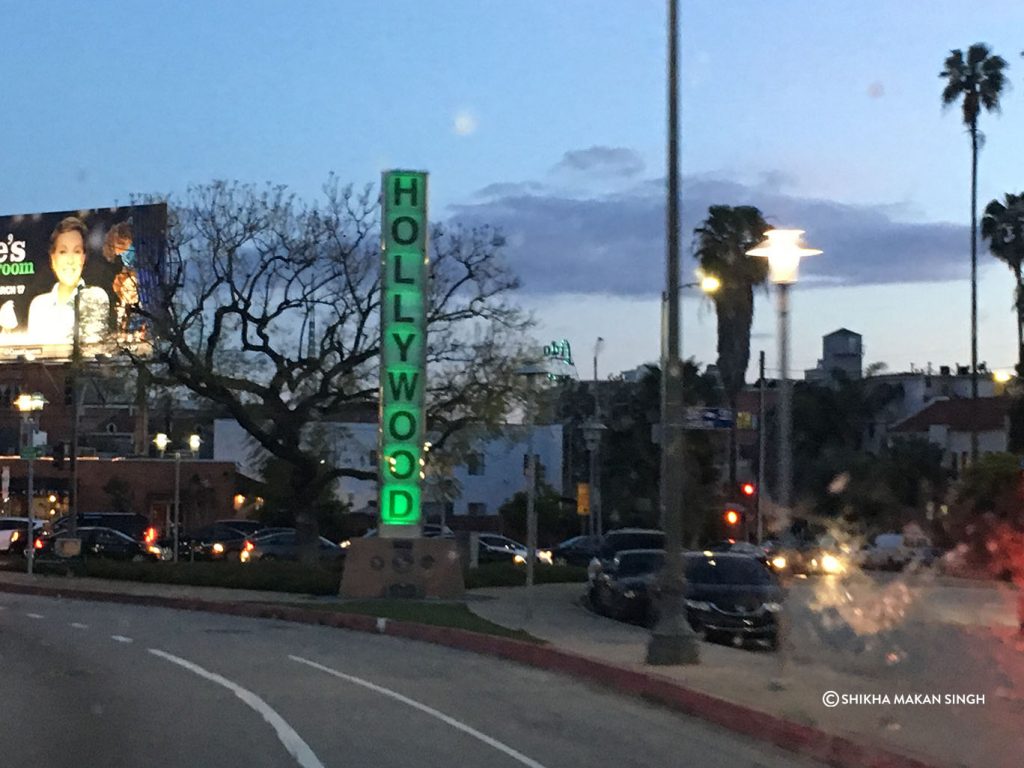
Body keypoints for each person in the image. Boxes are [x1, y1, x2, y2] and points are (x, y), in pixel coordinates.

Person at [27, 217, 109, 344]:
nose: (70, 260)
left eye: (76, 251)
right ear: (53, 257)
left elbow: (92, 350)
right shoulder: (39, 305)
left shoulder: (96, 297)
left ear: (83, 258)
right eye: (63, 252)